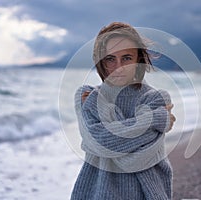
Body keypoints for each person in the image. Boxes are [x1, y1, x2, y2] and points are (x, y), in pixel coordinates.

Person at [71, 22, 176, 200]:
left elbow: (133, 161)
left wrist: (101, 111)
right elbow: (100, 140)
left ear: (138, 60)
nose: (118, 67)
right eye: (110, 59)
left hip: (148, 192)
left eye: (126, 58)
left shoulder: (156, 98)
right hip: (96, 191)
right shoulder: (87, 95)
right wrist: (154, 119)